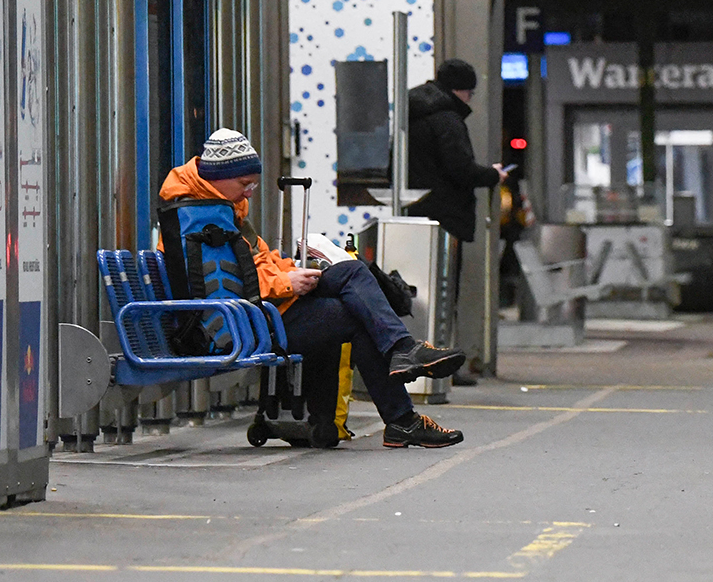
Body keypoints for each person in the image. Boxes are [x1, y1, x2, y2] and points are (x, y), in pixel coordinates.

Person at [159, 129, 469, 449]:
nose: (250, 192)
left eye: (253, 183)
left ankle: (396, 372)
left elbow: (251, 266)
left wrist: (294, 270)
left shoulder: (218, 209)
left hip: (260, 309)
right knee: (353, 314)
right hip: (247, 322)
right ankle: (400, 403)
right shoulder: (198, 219)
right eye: (244, 184)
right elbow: (222, 288)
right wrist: (286, 282)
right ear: (218, 177)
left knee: (350, 272)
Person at [406, 59, 509, 387]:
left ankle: (418, 361)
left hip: (416, 215)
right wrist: (493, 174)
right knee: (445, 293)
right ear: (462, 90)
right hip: (446, 217)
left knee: (422, 293)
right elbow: (460, 168)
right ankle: (442, 369)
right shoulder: (447, 119)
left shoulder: (414, 114)